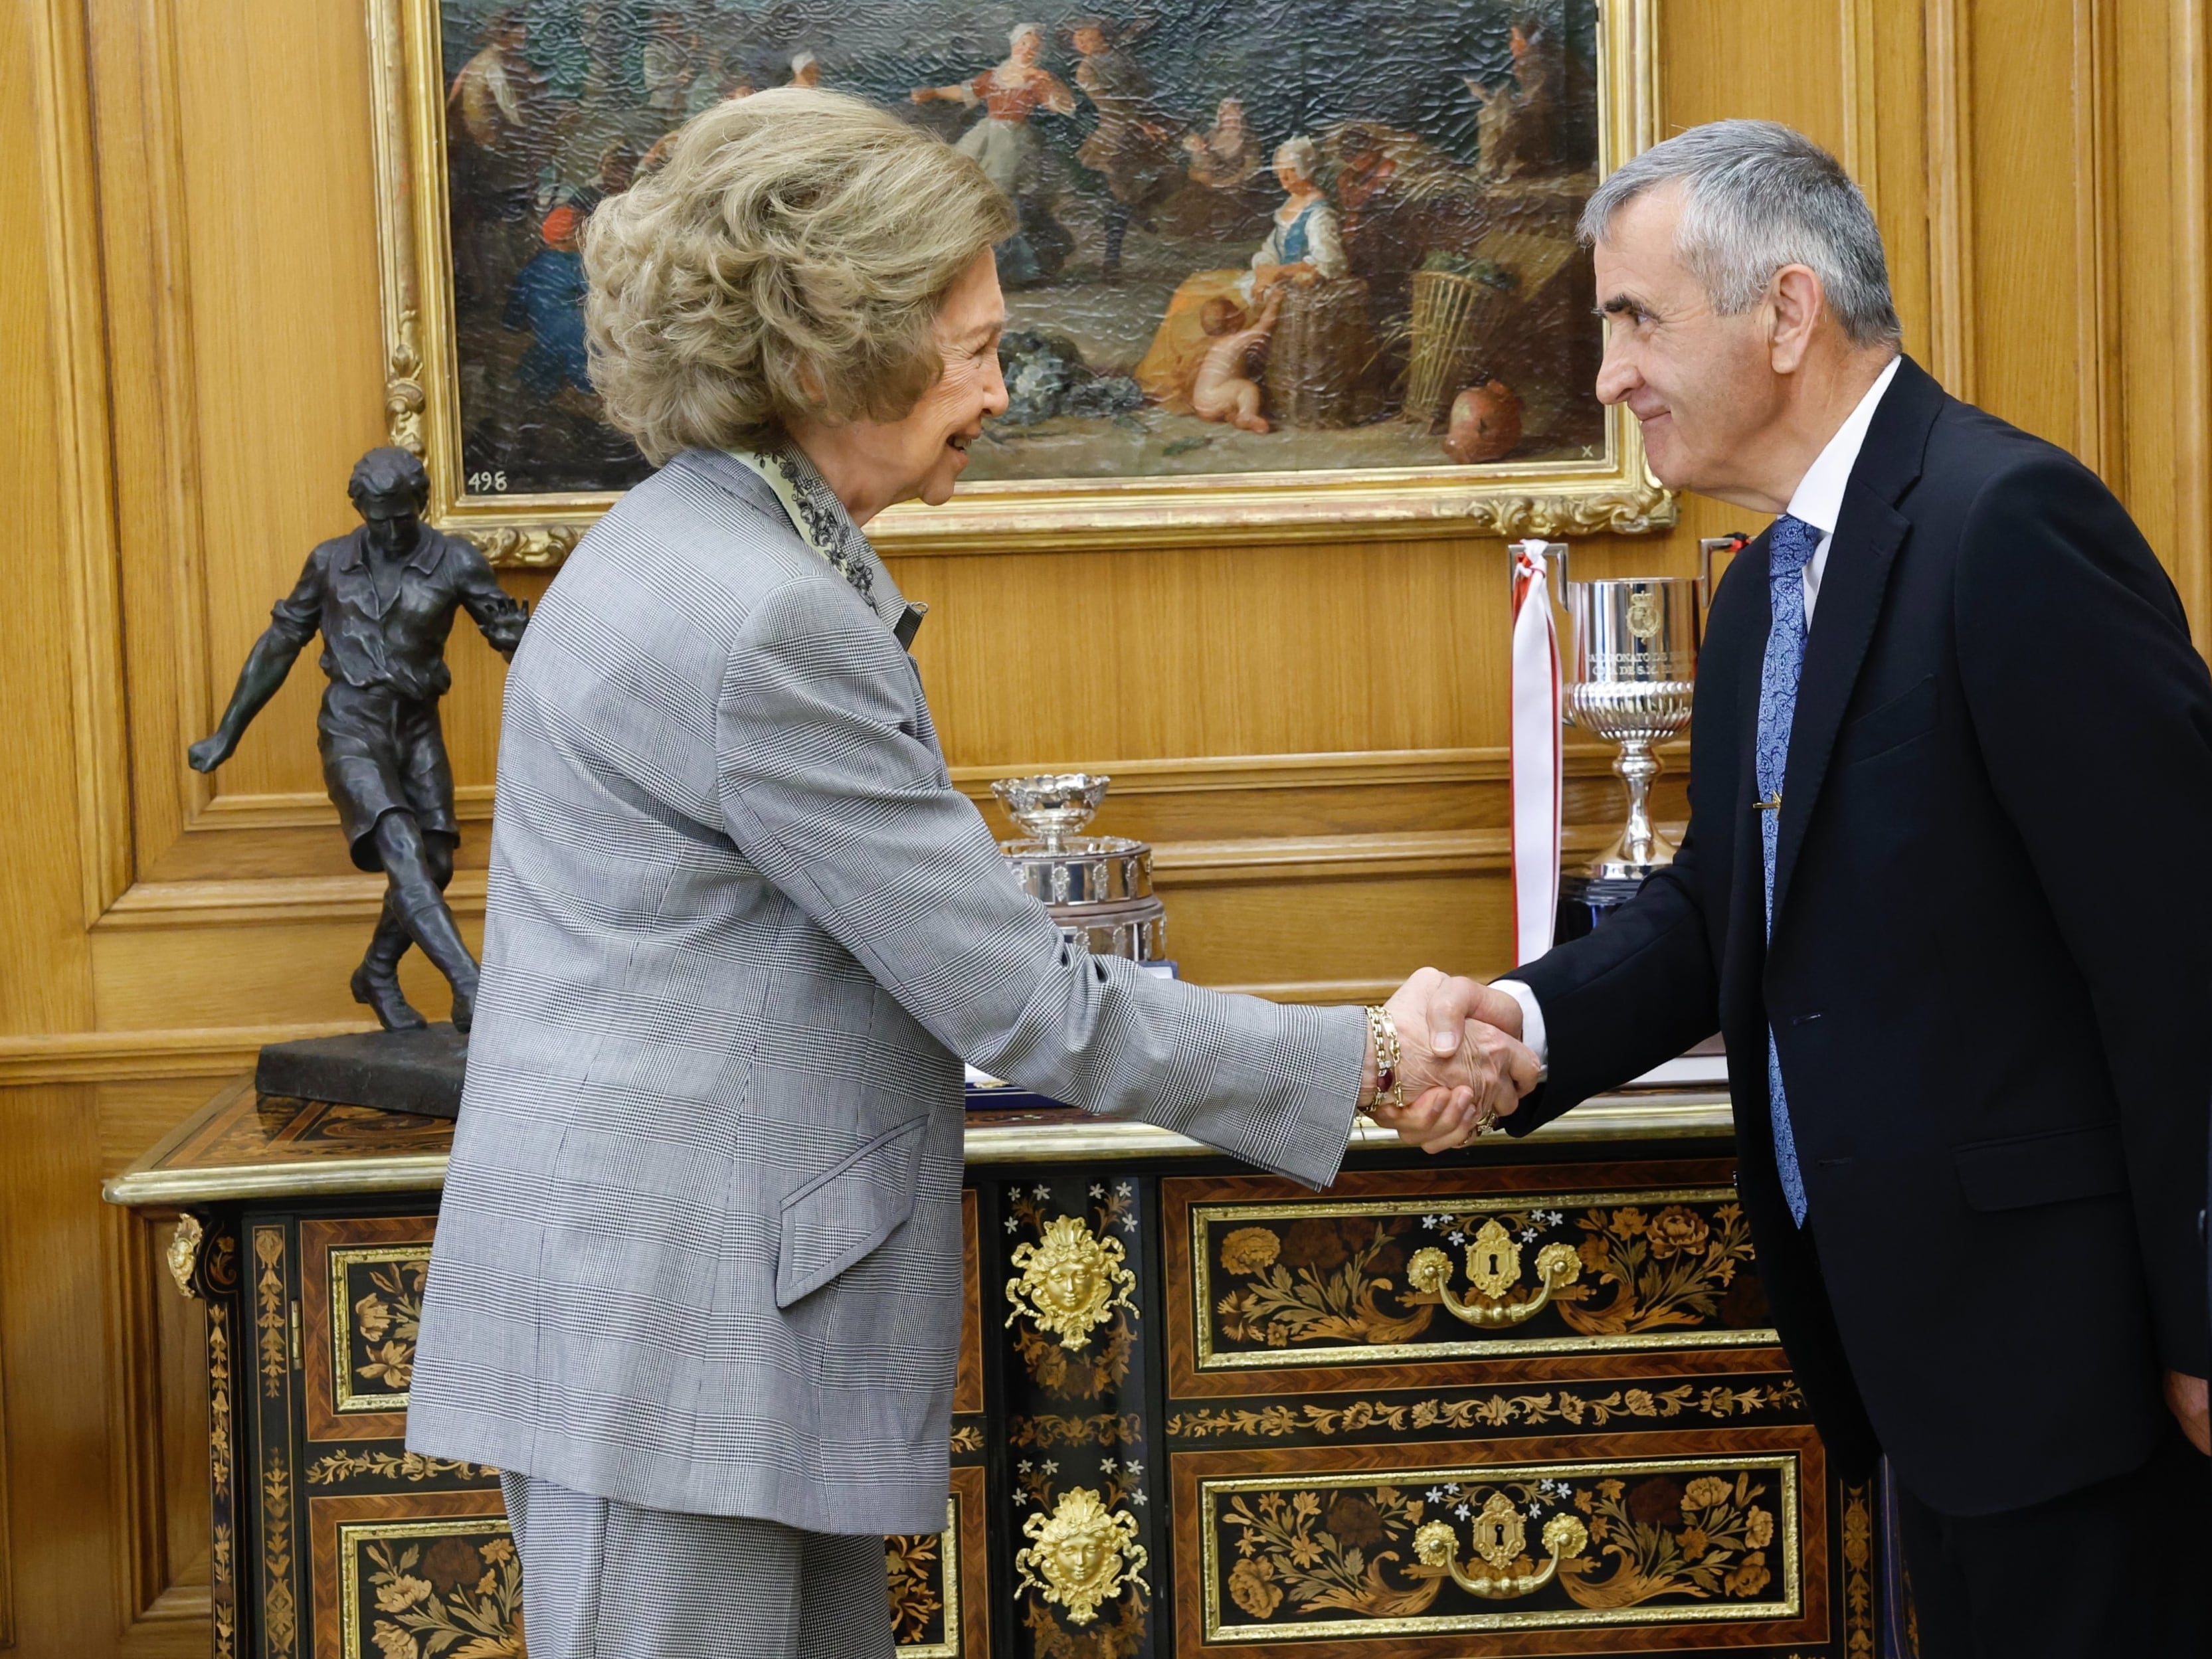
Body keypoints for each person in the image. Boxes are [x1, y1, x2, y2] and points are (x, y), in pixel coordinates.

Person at [405, 89, 1536, 1659]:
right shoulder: (759, 615)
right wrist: (1367, 1053)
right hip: (674, 1350)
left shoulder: (715, 548)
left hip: (693, 1337)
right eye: (971, 348)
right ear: (821, 353)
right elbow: (1021, 998)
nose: (1002, 389)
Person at [1449, 120, 2211, 1654]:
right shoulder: (1765, 588)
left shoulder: (2007, 527)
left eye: (1633, 320)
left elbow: (2180, 947)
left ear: (1783, 313)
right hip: (1923, 1370)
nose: (1605, 375)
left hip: (2081, 1374)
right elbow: (1713, 912)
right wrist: (1515, 1017)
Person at [187, 448, 528, 1031]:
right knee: (403, 851)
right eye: (379, 518)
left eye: (403, 516)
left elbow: (507, 637)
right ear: (360, 509)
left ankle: (375, 972)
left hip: (417, 723)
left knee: (437, 862)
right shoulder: (329, 563)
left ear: (421, 504)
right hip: (351, 723)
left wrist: (519, 641)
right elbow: (278, 645)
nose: (393, 531)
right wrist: (228, 733)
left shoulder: (457, 561)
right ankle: (473, 988)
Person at [911, 25, 1075, 285]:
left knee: (1001, 198)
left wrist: (1058, 90)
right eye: (1023, 44)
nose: (1027, 51)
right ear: (1013, 45)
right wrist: (933, 92)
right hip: (984, 135)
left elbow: (1059, 107)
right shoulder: (996, 74)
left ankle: (1011, 268)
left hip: (1013, 142)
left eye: (1034, 47)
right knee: (963, 187)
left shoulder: (1037, 78)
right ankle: (957, 258)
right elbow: (967, 92)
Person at [503, 205, 591, 400]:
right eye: (584, 230)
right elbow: (601, 302)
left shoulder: (532, 268)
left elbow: (511, 320)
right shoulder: (579, 265)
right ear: (566, 238)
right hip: (579, 347)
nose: (588, 235)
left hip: (546, 343)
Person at [1190, 288, 1281, 433]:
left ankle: (1231, 415)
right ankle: (1246, 416)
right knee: (1247, 388)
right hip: (1213, 399)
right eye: (1236, 309)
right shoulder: (1235, 341)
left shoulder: (1219, 343)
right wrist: (1275, 302)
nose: (1242, 309)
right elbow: (1265, 325)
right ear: (1232, 321)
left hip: (1201, 402)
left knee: (1234, 388)